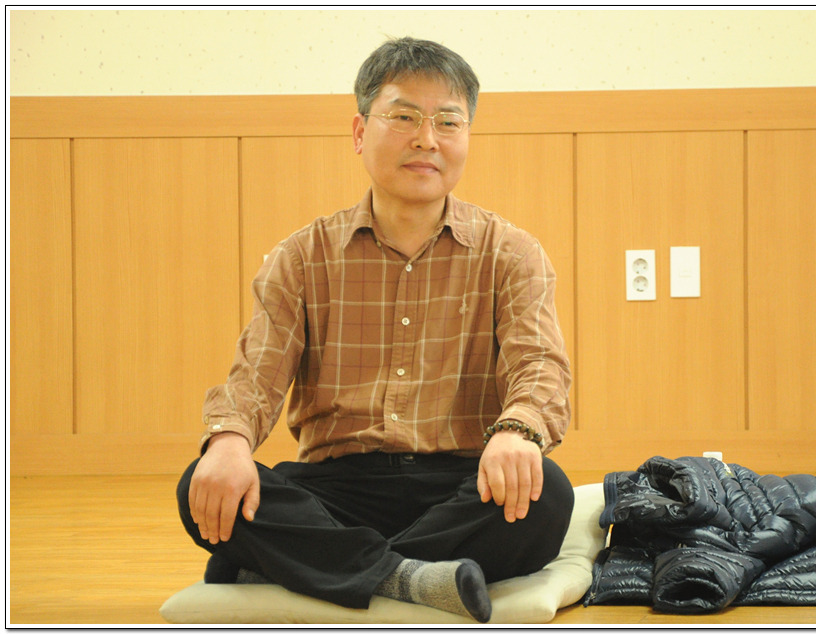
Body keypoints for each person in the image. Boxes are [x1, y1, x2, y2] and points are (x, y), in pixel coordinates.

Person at [177, 36, 574, 623]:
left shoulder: (511, 252)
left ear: (466, 136)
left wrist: (517, 431)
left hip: (462, 483)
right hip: (336, 487)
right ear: (360, 132)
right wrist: (229, 441)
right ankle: (411, 577)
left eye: (448, 121)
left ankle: (316, 564)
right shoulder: (302, 257)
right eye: (404, 117)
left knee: (549, 495)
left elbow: (540, 366)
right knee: (204, 481)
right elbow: (255, 377)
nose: (427, 139)